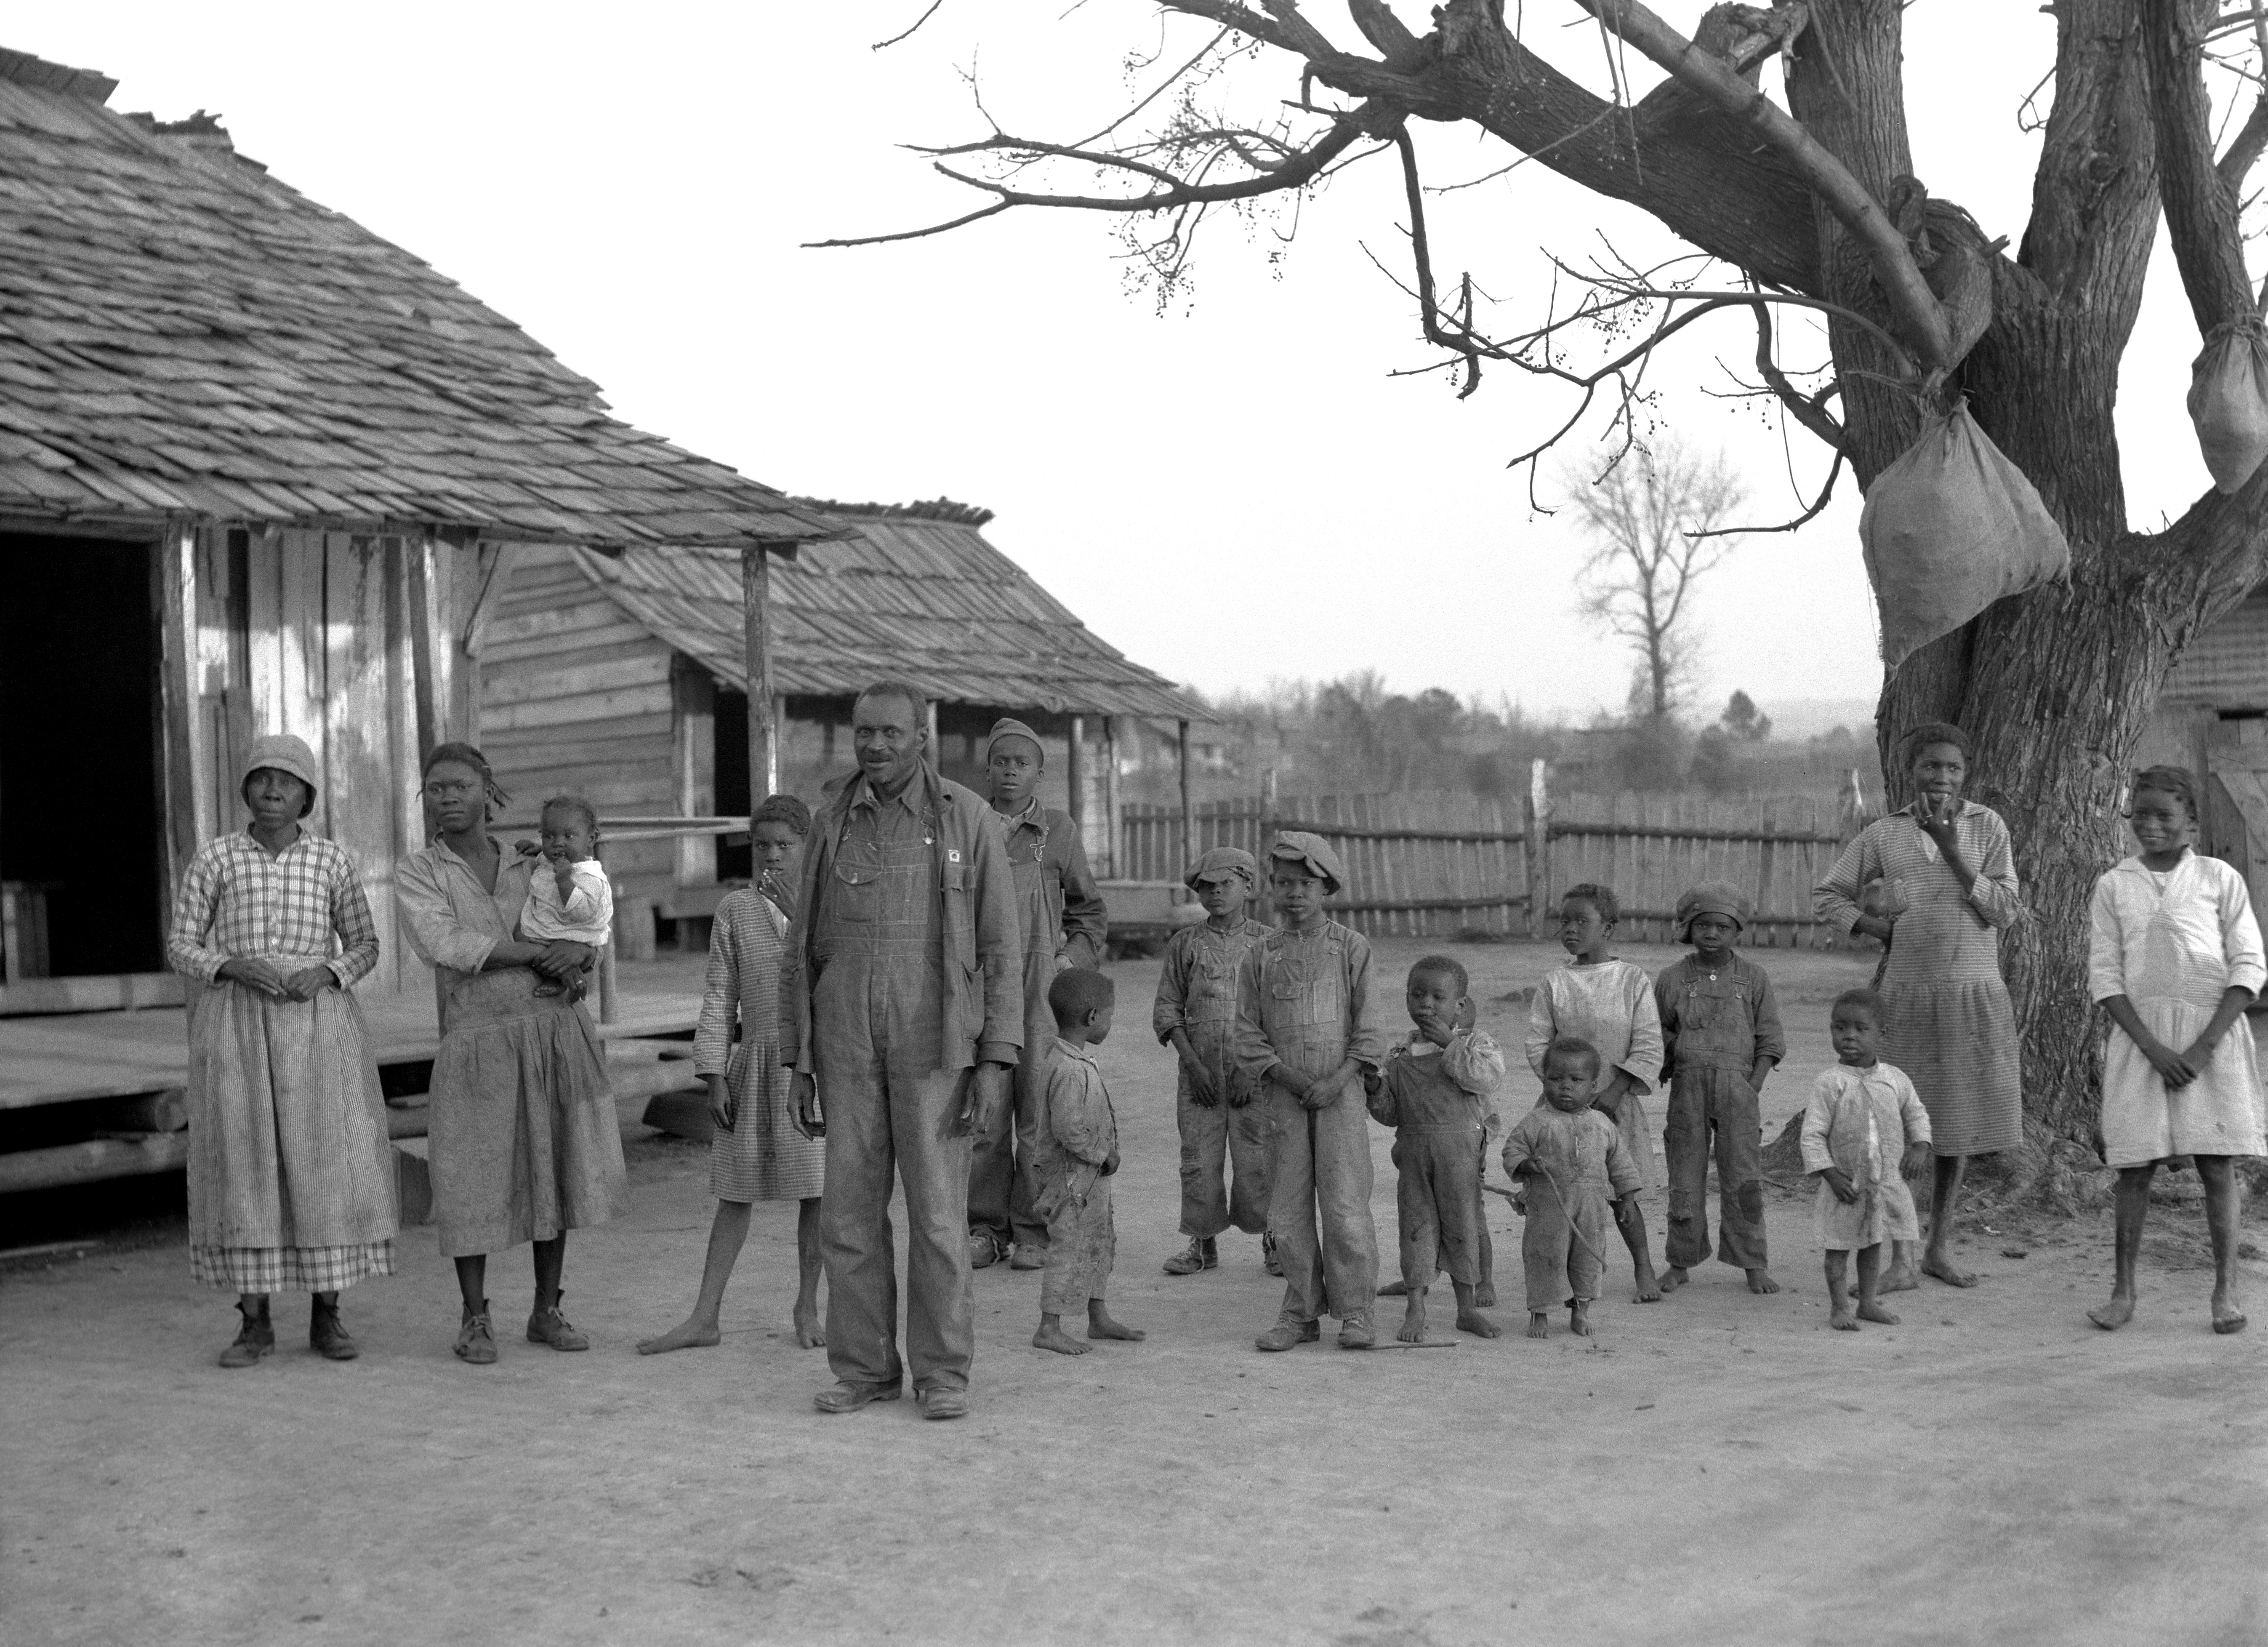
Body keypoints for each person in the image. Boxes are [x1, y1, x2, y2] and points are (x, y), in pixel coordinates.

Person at [779, 681, 1024, 1420]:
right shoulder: (830, 823)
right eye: (864, 733)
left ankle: (943, 1373)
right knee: (847, 1216)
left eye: (890, 732)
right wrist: (800, 1060)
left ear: (922, 735)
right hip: (847, 1045)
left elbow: (1000, 949)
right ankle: (863, 1369)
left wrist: (993, 1059)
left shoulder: (968, 819)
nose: (875, 745)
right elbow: (800, 952)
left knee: (940, 1217)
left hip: (936, 1048)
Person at [167, 734, 396, 1367]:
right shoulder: (216, 859)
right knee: (246, 1164)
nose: (274, 791)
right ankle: (254, 1323)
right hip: (238, 1028)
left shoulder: (331, 861)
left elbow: (365, 943)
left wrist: (327, 972)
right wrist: (229, 965)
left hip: (317, 1028)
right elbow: (181, 944)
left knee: (322, 1161)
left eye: (288, 782)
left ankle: (329, 1317)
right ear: (245, 791)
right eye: (262, 780)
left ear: (308, 797)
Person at [396, 742, 625, 1365]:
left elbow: (587, 921)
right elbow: (444, 941)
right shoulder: (422, 872)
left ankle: (546, 1309)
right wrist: (531, 954)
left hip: (551, 1025)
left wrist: (583, 960)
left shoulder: (534, 861)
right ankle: (475, 1318)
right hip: (475, 1036)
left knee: (554, 1166)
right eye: (436, 788)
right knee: (470, 1174)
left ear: (488, 791)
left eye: (461, 786)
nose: (448, 798)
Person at [1815, 722, 2023, 1291]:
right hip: (1906, 998)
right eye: (1931, 766)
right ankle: (1899, 1257)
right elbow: (1828, 894)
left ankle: (1938, 1246)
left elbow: (2005, 911)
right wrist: (1876, 927)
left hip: (1972, 995)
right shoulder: (1885, 834)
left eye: (1953, 768)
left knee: (1953, 1129)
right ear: (1913, 771)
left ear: (1967, 774)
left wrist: (1957, 855)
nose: (1942, 777)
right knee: (1895, 1125)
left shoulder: (1987, 828)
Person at [639, 795, 824, 1355]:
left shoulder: (826, 908)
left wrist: (802, 916)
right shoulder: (735, 910)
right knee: (734, 1193)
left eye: (784, 846)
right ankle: (705, 1315)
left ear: (808, 847)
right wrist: (714, 1073)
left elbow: (833, 973)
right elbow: (720, 993)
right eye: (762, 845)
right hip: (755, 1064)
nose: (771, 856)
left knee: (817, 1193)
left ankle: (807, 1307)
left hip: (812, 1069)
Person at [2084, 766, 2264, 1336]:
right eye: (2142, 813)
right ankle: (2123, 1291)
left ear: (2191, 822)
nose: (2152, 824)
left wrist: (2206, 1045)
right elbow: (2106, 976)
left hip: (2213, 1040)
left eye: (2166, 815)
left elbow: (2249, 964)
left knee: (2217, 1166)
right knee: (2135, 1169)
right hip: (2142, 1044)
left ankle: (2225, 1292)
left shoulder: (2219, 879)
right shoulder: (2115, 885)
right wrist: (2153, 1049)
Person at [1235, 831, 1386, 1352]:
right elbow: (1247, 1032)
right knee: (1288, 1209)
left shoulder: (1352, 948)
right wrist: (1287, 1076)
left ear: (1327, 888)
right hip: (1284, 1100)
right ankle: (1299, 1312)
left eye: (1305, 884)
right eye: (1283, 884)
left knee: (1345, 1206)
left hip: (1340, 1099)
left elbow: (1369, 1030)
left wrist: (1339, 1079)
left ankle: (1357, 1312)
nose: (1294, 894)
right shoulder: (1260, 954)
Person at [966, 717, 1107, 1271]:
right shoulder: (968, 825)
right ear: (988, 768)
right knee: (985, 1113)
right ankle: (983, 1228)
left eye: (1020, 763)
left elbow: (1089, 910)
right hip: (981, 987)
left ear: (1039, 773)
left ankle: (1033, 1229)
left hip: (1041, 996)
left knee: (1039, 1117)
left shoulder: (1059, 831)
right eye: (1001, 761)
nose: (1008, 771)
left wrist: (1069, 959)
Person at [1523, 882, 1666, 1302]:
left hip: (1616, 1107)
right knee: (1563, 1194)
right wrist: (1564, 1089)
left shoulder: (1632, 980)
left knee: (1624, 1191)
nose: (1570, 929)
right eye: (1564, 921)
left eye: (1582, 921)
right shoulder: (1556, 984)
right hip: (1563, 1109)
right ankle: (1570, 1279)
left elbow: (1648, 1044)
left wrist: (1614, 1090)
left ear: (1609, 928)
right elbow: (1537, 1044)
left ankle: (1644, 1266)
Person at [1654, 882, 1784, 1296]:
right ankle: (1680, 1262)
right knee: (1684, 1177)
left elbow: (1770, 1039)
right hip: (1687, 1091)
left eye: (1722, 927)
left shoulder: (1754, 978)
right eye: (1703, 925)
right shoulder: (1672, 978)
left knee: (1743, 1179)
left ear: (1738, 932)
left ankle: (1753, 1264)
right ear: (1689, 928)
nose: (1712, 933)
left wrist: (1754, 1085)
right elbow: (1656, 1033)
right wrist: (1671, 1058)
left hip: (1739, 1093)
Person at [1152, 846, 1277, 1278]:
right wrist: (1194, 1065)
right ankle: (1202, 1245)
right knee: (1199, 1161)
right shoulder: (1185, 944)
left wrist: (1251, 1068)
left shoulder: (1268, 944)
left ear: (1248, 886)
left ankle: (1274, 1240)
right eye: (1207, 887)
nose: (1217, 893)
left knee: (1259, 1159)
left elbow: (1277, 1016)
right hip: (1199, 1077)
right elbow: (1168, 1010)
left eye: (1227, 884)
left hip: (1255, 1078)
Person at [1364, 956, 1504, 1343]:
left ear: (1459, 1005)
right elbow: (1391, 1115)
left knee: (1463, 1228)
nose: (1425, 1003)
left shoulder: (1477, 1045)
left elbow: (1485, 1079)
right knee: (1416, 1229)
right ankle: (1416, 1309)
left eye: (1438, 996)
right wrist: (1375, 1089)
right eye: (1417, 994)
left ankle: (1467, 1309)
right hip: (1415, 1156)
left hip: (1458, 1156)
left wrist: (1449, 1043)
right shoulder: (1400, 1054)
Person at [1799, 990, 1932, 1332]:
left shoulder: (1895, 1079)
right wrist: (1830, 1174)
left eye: (1861, 1029)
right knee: (1838, 1249)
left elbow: (1915, 1112)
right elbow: (1812, 1135)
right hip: (1845, 1185)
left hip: (1883, 1182)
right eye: (1840, 1028)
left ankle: (1868, 1303)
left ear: (1881, 1033)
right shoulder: (1830, 1083)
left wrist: (1920, 1146)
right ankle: (1840, 1306)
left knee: (1873, 1244)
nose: (1850, 1036)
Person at [1030, 969, 1145, 1355]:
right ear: (1093, 1017)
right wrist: (1104, 1154)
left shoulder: (1074, 1060)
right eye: (1110, 1015)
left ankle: (1098, 1316)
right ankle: (1049, 1327)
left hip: (1089, 1180)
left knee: (1098, 1241)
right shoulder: (1069, 1070)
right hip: (1071, 1180)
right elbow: (1068, 1130)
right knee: (1069, 1246)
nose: (1111, 1023)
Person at [1501, 1038, 1642, 1339]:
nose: (1565, 1086)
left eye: (1576, 1080)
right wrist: (1527, 1165)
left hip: (1590, 1209)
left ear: (1593, 1087)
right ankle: (1539, 1313)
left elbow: (1621, 1164)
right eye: (1555, 1078)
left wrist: (1627, 1199)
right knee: (1544, 1258)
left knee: (1586, 1260)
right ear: (1544, 1081)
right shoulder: (1537, 1121)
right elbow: (1512, 1150)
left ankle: (1581, 1311)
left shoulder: (1602, 1124)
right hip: (1548, 1207)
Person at [519, 794, 611, 998]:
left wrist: (565, 882)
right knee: (525, 938)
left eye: (568, 837)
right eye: (549, 837)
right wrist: (537, 851)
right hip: (552, 929)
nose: (557, 844)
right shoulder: (554, 860)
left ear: (591, 839)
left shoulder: (589, 877)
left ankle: (565, 977)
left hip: (573, 933)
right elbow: (546, 857)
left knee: (530, 943)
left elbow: (583, 913)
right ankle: (564, 975)